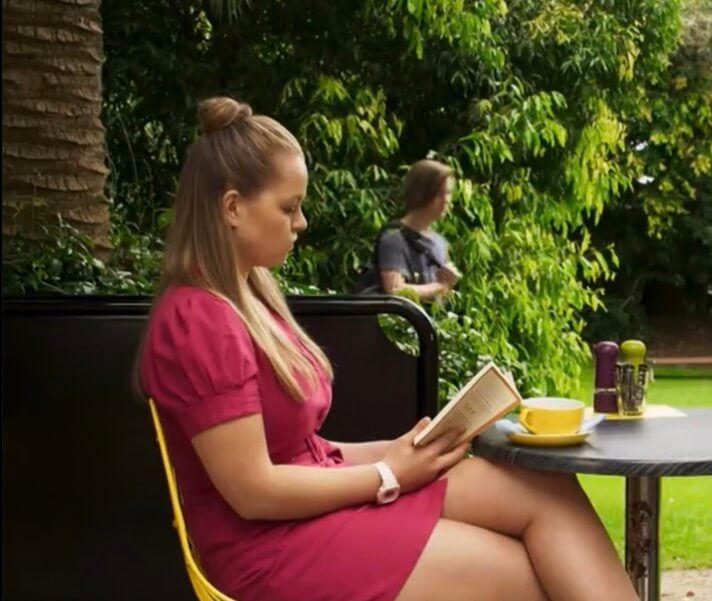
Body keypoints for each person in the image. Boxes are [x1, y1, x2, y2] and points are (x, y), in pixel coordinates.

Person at [137, 97, 638, 601]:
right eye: (288, 208)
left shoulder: (247, 297)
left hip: (310, 512)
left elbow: (304, 452)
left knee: (546, 490)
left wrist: (401, 450)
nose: (301, 222)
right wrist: (388, 473)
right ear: (232, 208)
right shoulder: (199, 320)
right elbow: (254, 491)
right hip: (269, 551)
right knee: (527, 577)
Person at [355, 160, 461, 301]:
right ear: (423, 194)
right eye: (441, 194)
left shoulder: (439, 242)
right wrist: (440, 287)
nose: (447, 200)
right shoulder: (394, 239)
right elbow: (395, 290)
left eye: (448, 193)